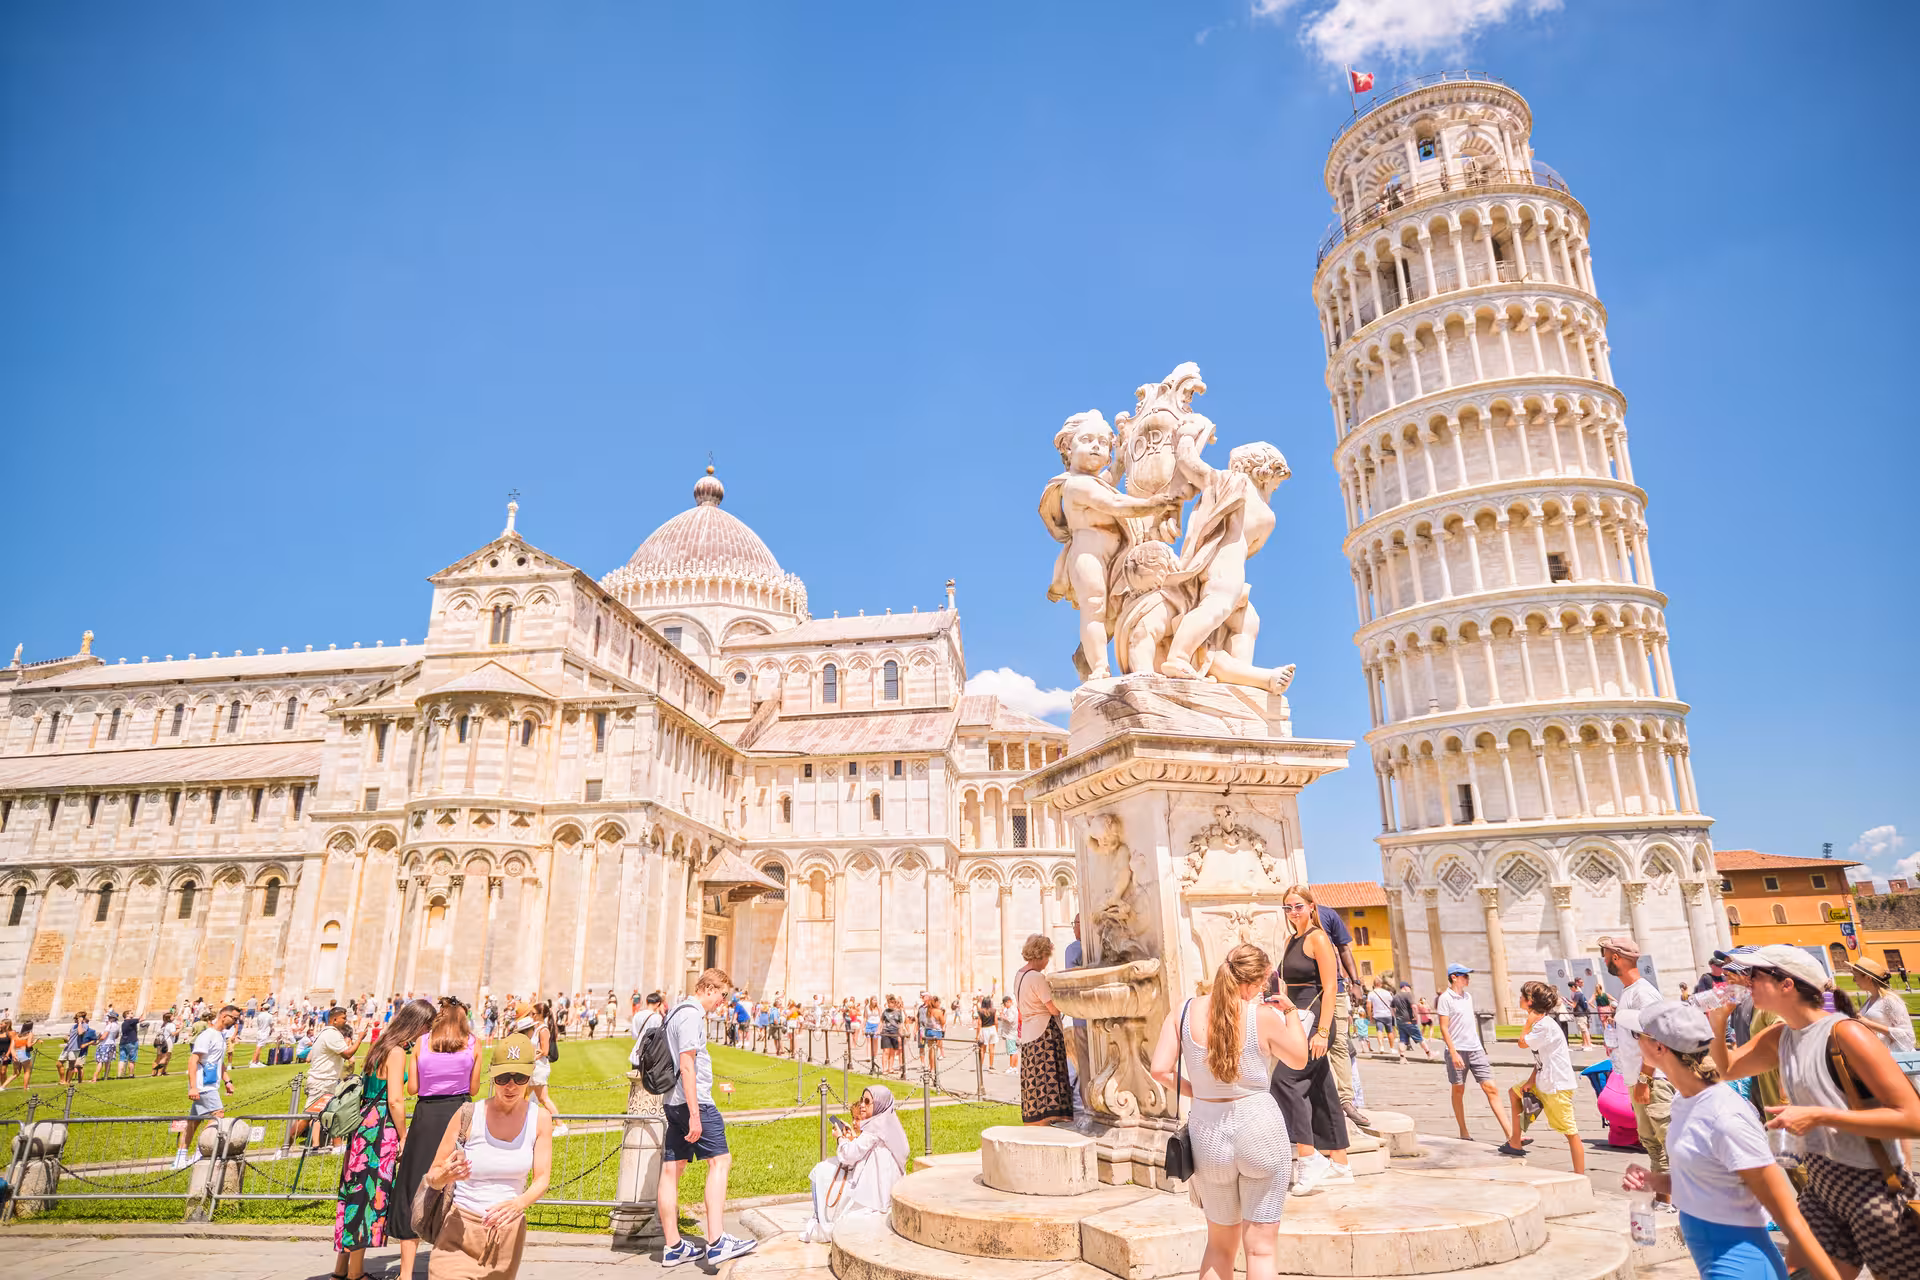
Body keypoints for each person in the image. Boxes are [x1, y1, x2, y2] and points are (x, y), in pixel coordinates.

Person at [1705, 943, 1920, 1280]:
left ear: (1786, 984)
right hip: (1821, 1185)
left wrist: (1818, 1116)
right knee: (1800, 1274)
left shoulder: (1846, 1033)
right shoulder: (1781, 1035)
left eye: (1755, 975)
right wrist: (1719, 1023)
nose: (1746, 982)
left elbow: (1912, 1118)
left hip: (1872, 1186)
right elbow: (1728, 1068)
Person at [1620, 999, 1842, 1280]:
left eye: (1636, 1035)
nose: (1634, 1043)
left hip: (1740, 1267)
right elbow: (1706, 1182)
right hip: (1715, 1263)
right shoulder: (1684, 1102)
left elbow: (1789, 1217)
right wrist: (1654, 1181)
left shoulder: (1725, 1118)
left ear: (1660, 1047)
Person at [1148, 943, 1308, 1280]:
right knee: (1261, 1250)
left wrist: (1201, 1093)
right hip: (1259, 1127)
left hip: (1209, 1134)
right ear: (1252, 983)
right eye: (1264, 983)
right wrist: (1291, 1012)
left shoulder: (1183, 1011)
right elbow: (1299, 1058)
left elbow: (1160, 1070)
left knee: (1219, 1247)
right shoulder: (1261, 1016)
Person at [420, 1031, 554, 1280]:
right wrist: (444, 1176)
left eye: (519, 1077)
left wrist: (518, 1204)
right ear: (492, 1075)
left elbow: (542, 1178)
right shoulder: (468, 1114)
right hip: (458, 1231)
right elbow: (433, 1175)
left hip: (505, 1235)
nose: (511, 1085)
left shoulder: (540, 1119)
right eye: (503, 1077)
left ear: (530, 1075)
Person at [659, 967, 756, 1267]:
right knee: (720, 1161)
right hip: (693, 1101)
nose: (722, 1002)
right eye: (722, 995)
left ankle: (673, 1246)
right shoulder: (691, 1015)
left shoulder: (675, 1011)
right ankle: (716, 1241)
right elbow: (687, 1066)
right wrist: (696, 1116)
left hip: (672, 1102)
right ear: (709, 988)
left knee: (671, 1170)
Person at [331, 998, 432, 1279]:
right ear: (418, 1024)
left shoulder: (380, 1045)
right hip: (380, 1128)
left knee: (353, 1194)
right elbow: (397, 1100)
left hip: (363, 1124)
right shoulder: (398, 1051)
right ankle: (355, 1274)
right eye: (427, 1027)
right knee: (366, 1195)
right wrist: (402, 1135)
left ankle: (341, 1269)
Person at [391, 999, 484, 1278]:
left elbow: (413, 1087)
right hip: (458, 1116)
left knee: (413, 1187)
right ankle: (444, 1266)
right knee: (454, 1188)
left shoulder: (422, 1043)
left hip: (426, 1118)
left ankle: (406, 1273)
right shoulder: (473, 1044)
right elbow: (475, 1087)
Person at [1268, 887, 1350, 1195]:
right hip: (1296, 1017)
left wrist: (1324, 1031)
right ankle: (1340, 1162)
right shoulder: (1291, 940)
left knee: (1285, 1082)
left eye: (1298, 906)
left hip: (1317, 1018)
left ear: (1311, 906)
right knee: (1321, 1086)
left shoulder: (1318, 938)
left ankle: (1308, 1156)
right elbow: (1287, 983)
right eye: (1287, 908)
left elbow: (1330, 988)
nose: (1293, 912)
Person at [1599, 936, 1672, 1205]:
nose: (1604, 959)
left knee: (1669, 1145)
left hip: (1653, 1080)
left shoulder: (1644, 993)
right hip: (1638, 1079)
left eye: (1605, 954)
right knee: (1653, 1145)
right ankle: (1664, 1202)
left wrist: (1645, 1078)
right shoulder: (1628, 992)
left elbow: (1657, 1038)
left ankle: (1692, 1207)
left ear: (1616, 958)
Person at [799, 1085, 910, 1242]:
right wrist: (852, 1138)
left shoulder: (875, 1128)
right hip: (877, 1187)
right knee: (824, 1171)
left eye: (867, 1101)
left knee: (820, 1171)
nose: (863, 1105)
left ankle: (819, 1222)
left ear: (879, 1104)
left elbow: (849, 1155)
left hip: (873, 1196)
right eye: (861, 1100)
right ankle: (818, 1220)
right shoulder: (887, 1124)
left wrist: (840, 1138)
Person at [1500, 981, 1585, 1173]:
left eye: (1522, 996)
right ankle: (1515, 1142)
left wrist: (1527, 1023)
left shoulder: (1542, 1026)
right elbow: (1541, 1057)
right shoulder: (1543, 1024)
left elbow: (1522, 1043)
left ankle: (1580, 1176)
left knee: (1570, 1132)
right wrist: (1531, 1080)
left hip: (1557, 1086)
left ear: (1530, 1001)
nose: (1519, 999)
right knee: (1514, 1093)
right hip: (1544, 1079)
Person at [1434, 964, 1504, 1143]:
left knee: (1492, 1088)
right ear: (1454, 977)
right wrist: (1453, 1052)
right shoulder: (1445, 998)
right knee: (1458, 1090)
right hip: (1457, 1050)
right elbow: (1444, 1028)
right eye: (1465, 976)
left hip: (1475, 1048)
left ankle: (1511, 1135)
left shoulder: (1468, 996)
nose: (1468, 979)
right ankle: (1463, 1131)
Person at [1014, 934, 1073, 1126]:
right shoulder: (1037, 977)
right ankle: (1051, 1119)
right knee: (1049, 1079)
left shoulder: (1019, 975)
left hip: (1029, 1032)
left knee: (1033, 1080)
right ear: (1040, 955)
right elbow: (1053, 1009)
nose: (1047, 962)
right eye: (1047, 957)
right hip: (1045, 1033)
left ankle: (1033, 1119)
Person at [295, 1005, 364, 1148]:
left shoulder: (325, 1033)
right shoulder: (332, 1034)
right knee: (307, 1116)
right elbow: (347, 1054)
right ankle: (285, 1146)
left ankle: (337, 1147)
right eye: (343, 1018)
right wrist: (360, 1038)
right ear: (334, 1020)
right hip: (322, 1081)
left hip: (327, 1080)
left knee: (333, 1112)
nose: (346, 1021)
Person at [1849, 954, 1916, 1053]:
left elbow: (1907, 1036)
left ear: (1868, 978)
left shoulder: (1890, 1000)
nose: (1854, 981)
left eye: (1856, 977)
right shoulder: (1869, 1000)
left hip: (1895, 1060)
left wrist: (1868, 1023)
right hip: (1878, 1056)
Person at [527, 1001, 563, 1134]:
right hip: (534, 1067)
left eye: (534, 1013)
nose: (532, 1015)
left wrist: (531, 1057)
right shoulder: (537, 1028)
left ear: (540, 1014)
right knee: (525, 1097)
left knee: (543, 1099)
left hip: (539, 1068)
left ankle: (560, 1124)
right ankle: (528, 1124)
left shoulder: (543, 1030)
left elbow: (545, 1051)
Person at [1391, 982, 1431, 1059]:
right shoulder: (1408, 995)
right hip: (1409, 1020)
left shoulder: (1395, 996)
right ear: (1405, 987)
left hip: (1400, 1021)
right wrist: (1415, 1016)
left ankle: (1402, 1057)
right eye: (1409, 987)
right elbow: (1414, 1007)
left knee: (1402, 1039)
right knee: (1419, 1038)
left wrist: (1395, 1016)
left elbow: (1392, 1009)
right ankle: (1429, 1054)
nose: (1410, 989)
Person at [58, 1012, 96, 1085]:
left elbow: (80, 1033)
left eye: (76, 1018)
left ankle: (67, 1082)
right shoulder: (73, 1026)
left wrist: (80, 1023)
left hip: (75, 1048)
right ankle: (62, 1080)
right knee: (59, 1064)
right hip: (68, 1047)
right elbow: (70, 1035)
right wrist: (66, 1037)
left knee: (71, 1066)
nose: (75, 1020)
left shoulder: (84, 1026)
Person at [629, 991, 665, 1068]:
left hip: (637, 1053)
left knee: (636, 1079)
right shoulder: (657, 1018)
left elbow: (635, 1035)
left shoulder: (637, 1015)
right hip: (650, 1055)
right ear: (658, 1004)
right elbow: (659, 1038)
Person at [1366, 980, 1395, 1058]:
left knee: (1379, 1030)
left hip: (1378, 1014)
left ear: (1374, 984)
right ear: (1381, 984)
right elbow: (1392, 1003)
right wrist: (1393, 1013)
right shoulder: (1387, 992)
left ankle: (1381, 1046)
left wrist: (1369, 1015)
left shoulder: (1371, 993)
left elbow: (1368, 1006)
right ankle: (1392, 1048)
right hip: (1387, 1014)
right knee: (1390, 1031)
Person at [1566, 977, 1595, 1049]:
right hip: (1581, 1013)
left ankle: (1588, 1045)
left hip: (1580, 1013)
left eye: (1570, 988)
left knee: (1584, 1030)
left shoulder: (1577, 994)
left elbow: (1574, 1005)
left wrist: (1566, 1001)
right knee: (1583, 1030)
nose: (1570, 989)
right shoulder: (1579, 993)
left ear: (1573, 987)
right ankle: (1586, 1044)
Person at [879, 996, 904, 1077]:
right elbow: (881, 1021)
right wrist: (879, 1030)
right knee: (886, 1051)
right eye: (889, 1003)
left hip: (895, 1033)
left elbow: (900, 1024)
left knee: (893, 1051)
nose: (891, 1004)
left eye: (892, 1003)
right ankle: (884, 1069)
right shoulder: (885, 1012)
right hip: (886, 1032)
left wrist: (900, 1034)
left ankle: (890, 1068)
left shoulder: (898, 1012)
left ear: (895, 1003)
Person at [998, 995, 1019, 1074]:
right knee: (1015, 1051)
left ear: (1008, 1002)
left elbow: (1010, 1019)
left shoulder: (1011, 1009)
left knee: (1012, 1052)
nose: (1004, 1005)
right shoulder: (1013, 1009)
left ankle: (1012, 1067)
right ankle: (1014, 1067)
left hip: (1010, 1033)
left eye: (1004, 1004)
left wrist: (1002, 1016)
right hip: (1013, 1032)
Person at [977, 994, 998, 1071]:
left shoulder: (980, 1011)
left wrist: (978, 1034)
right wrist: (996, 1030)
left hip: (984, 1029)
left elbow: (979, 1023)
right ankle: (991, 1065)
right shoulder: (994, 1010)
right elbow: (996, 1022)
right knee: (992, 1048)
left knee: (983, 1049)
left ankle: (981, 1065)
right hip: (992, 1029)